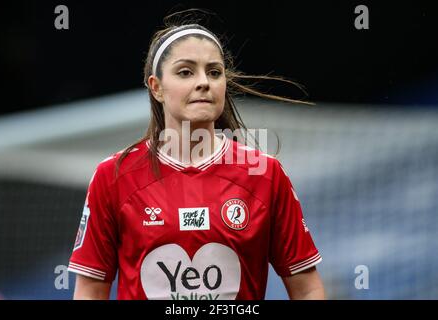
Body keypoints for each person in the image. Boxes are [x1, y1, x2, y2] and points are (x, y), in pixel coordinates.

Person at [68, 16, 325, 300]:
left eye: (214, 72)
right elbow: (90, 291)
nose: (204, 82)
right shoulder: (113, 176)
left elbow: (307, 289)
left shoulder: (265, 174)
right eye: (186, 72)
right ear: (156, 87)